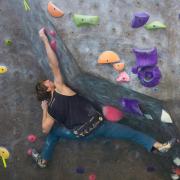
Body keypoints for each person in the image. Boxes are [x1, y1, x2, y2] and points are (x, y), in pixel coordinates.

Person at [31, 28, 176, 168]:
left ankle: (43, 159)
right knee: (131, 134)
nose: (50, 81)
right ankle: (158, 145)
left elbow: (45, 129)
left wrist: (44, 109)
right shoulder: (60, 88)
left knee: (53, 132)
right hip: (99, 125)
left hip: (84, 133)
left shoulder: (50, 110)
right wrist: (44, 39)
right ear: (48, 89)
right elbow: (53, 64)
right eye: (47, 82)